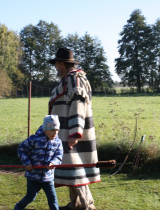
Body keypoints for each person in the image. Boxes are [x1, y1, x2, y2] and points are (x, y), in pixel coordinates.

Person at [48, 47, 100, 210]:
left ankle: (86, 205)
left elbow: (78, 104)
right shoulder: (70, 78)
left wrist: (75, 132)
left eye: (56, 64)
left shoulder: (74, 79)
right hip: (65, 132)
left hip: (70, 132)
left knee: (76, 169)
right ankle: (76, 203)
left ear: (62, 64)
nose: (55, 67)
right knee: (71, 168)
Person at [14, 115, 63, 210]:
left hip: (48, 177)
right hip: (33, 176)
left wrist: (53, 163)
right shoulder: (34, 139)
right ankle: (18, 207)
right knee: (30, 197)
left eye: (57, 130)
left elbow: (59, 156)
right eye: (52, 130)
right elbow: (21, 149)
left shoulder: (58, 142)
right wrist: (27, 163)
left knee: (52, 199)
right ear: (45, 130)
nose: (55, 133)